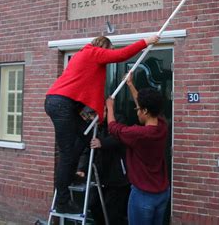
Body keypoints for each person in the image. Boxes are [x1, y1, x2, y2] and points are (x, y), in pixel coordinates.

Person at [45, 35, 159, 214]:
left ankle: (71, 175)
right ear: (104, 46)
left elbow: (92, 89)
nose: (110, 54)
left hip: (65, 104)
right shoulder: (94, 53)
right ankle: (62, 200)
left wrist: (98, 114)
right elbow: (122, 55)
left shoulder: (84, 57)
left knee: (84, 135)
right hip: (62, 104)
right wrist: (146, 42)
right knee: (66, 152)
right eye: (109, 50)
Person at [105, 72, 169, 225]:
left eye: (138, 108)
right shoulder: (162, 125)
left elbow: (113, 128)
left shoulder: (139, 134)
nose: (137, 110)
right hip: (162, 193)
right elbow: (145, 105)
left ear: (145, 111)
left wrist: (110, 107)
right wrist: (130, 85)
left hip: (143, 196)